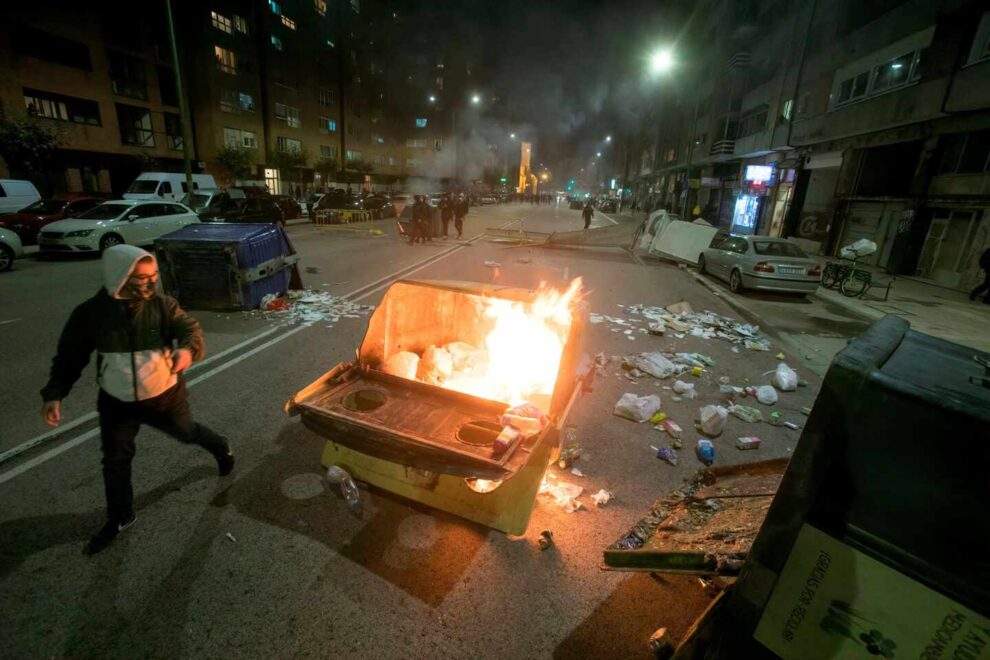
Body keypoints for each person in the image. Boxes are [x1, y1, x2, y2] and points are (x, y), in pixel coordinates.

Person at [41, 245, 234, 555]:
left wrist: (186, 351)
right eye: (141, 278)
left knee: (186, 433)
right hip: (116, 402)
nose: (150, 283)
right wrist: (54, 394)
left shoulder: (163, 306)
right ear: (120, 277)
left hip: (164, 395)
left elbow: (190, 330)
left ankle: (220, 446)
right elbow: (69, 357)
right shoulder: (91, 314)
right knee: (115, 460)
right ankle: (120, 517)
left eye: (153, 276)